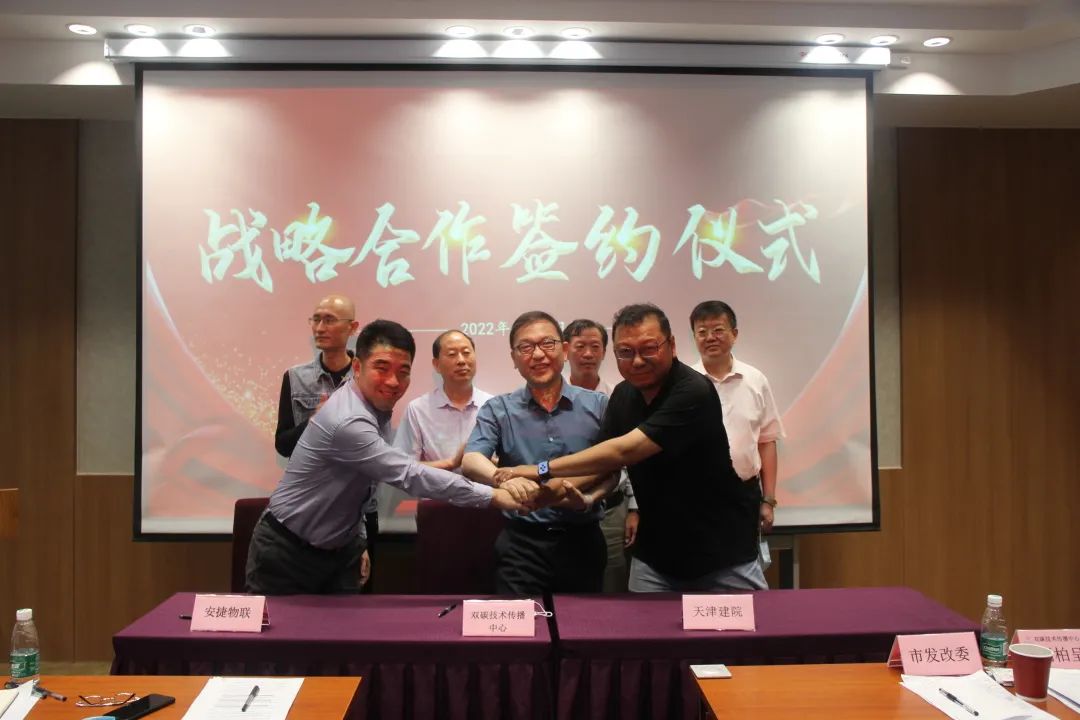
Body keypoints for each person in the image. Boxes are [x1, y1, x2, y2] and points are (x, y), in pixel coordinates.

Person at [493, 303, 765, 592]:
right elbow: (602, 464)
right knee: (639, 622)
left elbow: (622, 451)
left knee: (739, 624)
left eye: (648, 348)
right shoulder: (624, 395)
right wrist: (551, 494)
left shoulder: (692, 390)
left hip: (723, 554)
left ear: (672, 345)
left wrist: (538, 470)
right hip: (656, 557)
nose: (637, 361)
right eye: (625, 352)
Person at [246, 319, 531, 595]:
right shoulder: (348, 420)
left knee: (340, 629)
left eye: (403, 371)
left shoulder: (375, 406)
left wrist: (355, 540)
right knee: (280, 630)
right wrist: (495, 496)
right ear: (357, 367)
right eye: (381, 368)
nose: (393, 381)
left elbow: (359, 485)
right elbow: (408, 474)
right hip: (288, 551)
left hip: (341, 550)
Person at [461, 311, 615, 595]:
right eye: (526, 347)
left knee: (584, 621)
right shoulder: (499, 409)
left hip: (583, 542)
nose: (538, 354)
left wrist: (580, 495)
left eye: (547, 344)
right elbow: (471, 460)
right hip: (522, 545)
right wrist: (504, 480)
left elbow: (611, 467)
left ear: (564, 350)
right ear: (514, 358)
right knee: (519, 622)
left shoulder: (599, 405)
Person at [273, 294, 377, 586]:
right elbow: (283, 444)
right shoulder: (295, 377)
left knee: (354, 604)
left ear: (353, 327)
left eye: (329, 320)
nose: (320, 327)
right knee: (303, 601)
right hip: (308, 507)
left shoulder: (368, 379)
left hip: (359, 510)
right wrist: (315, 421)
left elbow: (373, 457)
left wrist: (361, 537)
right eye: (316, 319)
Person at [688, 300, 784, 536]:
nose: (710, 337)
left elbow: (766, 442)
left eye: (718, 330)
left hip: (744, 493)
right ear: (694, 337)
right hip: (695, 495)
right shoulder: (684, 384)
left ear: (734, 334)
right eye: (702, 332)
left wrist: (768, 500)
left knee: (743, 557)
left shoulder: (755, 380)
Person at [563, 318, 631, 592]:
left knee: (612, 581)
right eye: (580, 346)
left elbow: (632, 456)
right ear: (566, 350)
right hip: (562, 508)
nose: (588, 354)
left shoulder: (620, 397)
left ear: (605, 352)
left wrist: (635, 508)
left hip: (611, 509)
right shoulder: (550, 397)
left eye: (595, 346)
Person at [393, 330, 492, 470]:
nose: (461, 360)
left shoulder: (493, 406)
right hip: (437, 485)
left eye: (466, 353)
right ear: (436, 365)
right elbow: (401, 467)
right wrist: (450, 463)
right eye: (452, 354)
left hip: (487, 485)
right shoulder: (418, 409)